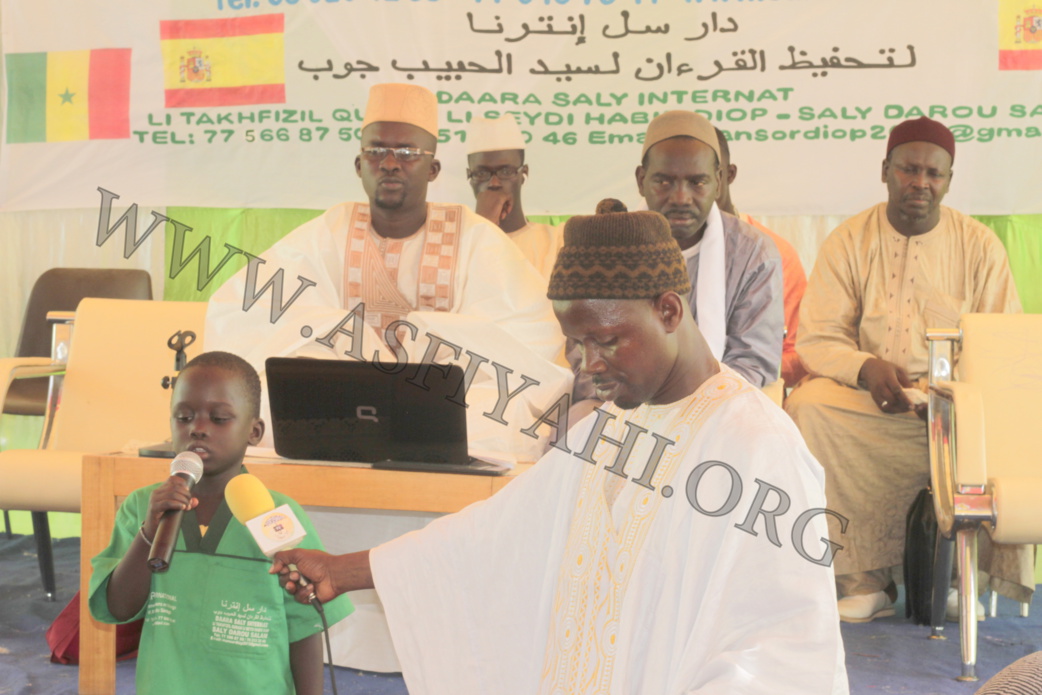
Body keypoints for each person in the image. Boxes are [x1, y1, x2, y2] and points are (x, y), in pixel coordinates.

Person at [271, 207, 849, 694]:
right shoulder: (610, 429)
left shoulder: (756, 446)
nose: (589, 367)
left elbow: (784, 648)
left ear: (669, 311)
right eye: (575, 345)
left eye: (606, 340)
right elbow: (497, 534)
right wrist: (342, 570)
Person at [205, 83, 570, 462]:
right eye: (377, 151)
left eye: (409, 153)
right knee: (255, 409)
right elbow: (242, 310)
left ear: (433, 169)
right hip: (343, 398)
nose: (391, 163)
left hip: (443, 401)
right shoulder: (328, 230)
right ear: (359, 165)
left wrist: (428, 335)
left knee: (496, 418)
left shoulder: (476, 237)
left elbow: (530, 335)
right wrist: (349, 340)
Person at [785, 117, 1028, 623]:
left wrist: (950, 394)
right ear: (885, 171)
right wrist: (866, 367)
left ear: (949, 179)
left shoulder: (980, 246)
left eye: (933, 174)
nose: (921, 183)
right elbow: (818, 337)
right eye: (909, 170)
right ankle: (863, 580)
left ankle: (964, 578)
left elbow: (1002, 344)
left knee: (1006, 423)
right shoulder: (848, 240)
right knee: (810, 408)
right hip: (870, 402)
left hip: (958, 406)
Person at [88, 351, 352, 694]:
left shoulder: (277, 514)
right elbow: (117, 607)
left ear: (253, 431)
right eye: (183, 417)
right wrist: (148, 533)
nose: (197, 428)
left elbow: (304, 627)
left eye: (219, 418)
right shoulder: (143, 507)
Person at [635, 110, 784, 388]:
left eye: (697, 182)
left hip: (721, 407)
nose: (681, 197)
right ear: (641, 180)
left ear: (718, 182)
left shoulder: (753, 255)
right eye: (664, 181)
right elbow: (587, 349)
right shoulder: (608, 248)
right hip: (628, 401)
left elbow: (754, 362)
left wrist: (690, 404)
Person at [715, 127, 809, 388]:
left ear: (727, 174)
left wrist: (745, 372)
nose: (684, 194)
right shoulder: (644, 253)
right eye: (668, 180)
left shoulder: (773, 254)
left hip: (750, 395)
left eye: (702, 178)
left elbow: (799, 354)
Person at [466, 114, 563, 280]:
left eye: (506, 172)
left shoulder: (555, 241)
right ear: (470, 177)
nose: (494, 183)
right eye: (482, 173)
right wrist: (483, 226)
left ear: (524, 174)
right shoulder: (459, 243)